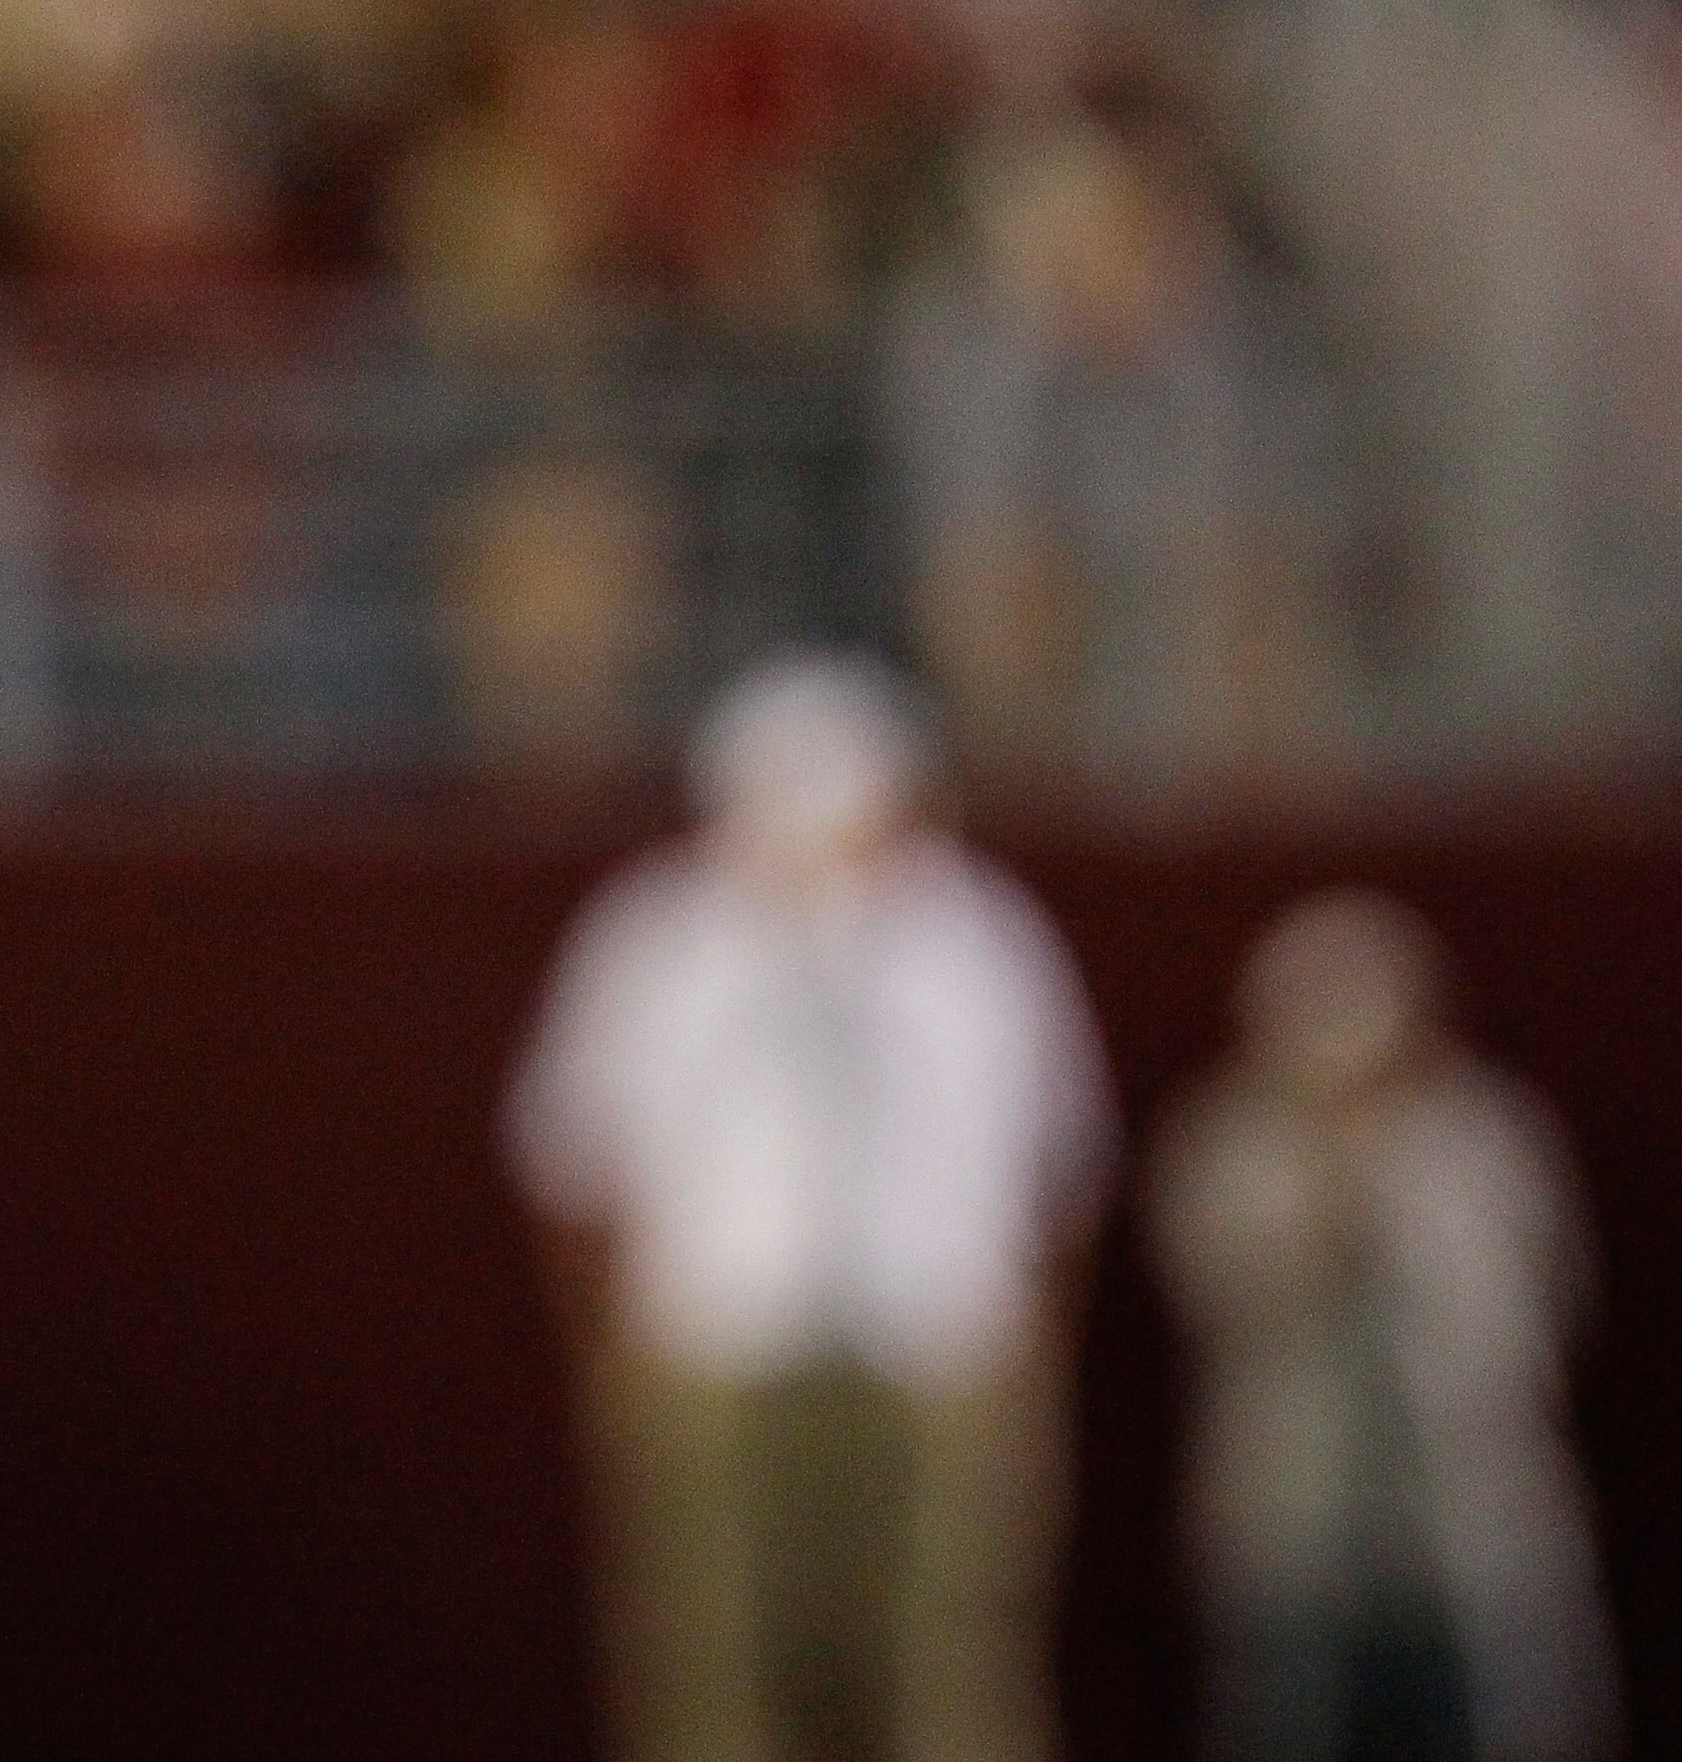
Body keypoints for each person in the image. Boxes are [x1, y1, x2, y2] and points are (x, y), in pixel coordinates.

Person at [501, 651, 1115, 1762]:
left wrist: (1024, 1348)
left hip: (943, 1352)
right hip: (712, 1349)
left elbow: (1061, 1169)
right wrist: (620, 1354)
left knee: (954, 1675)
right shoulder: (655, 939)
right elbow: (569, 1166)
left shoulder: (980, 937)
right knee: (712, 1679)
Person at [1150, 891, 1620, 1762]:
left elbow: (1550, 1291)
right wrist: (1335, 1194)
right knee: (1286, 1712)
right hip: (1295, 1507)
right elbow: (1213, 1297)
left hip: (1468, 1493)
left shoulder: (1483, 1136)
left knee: (1508, 1708)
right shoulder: (1229, 1144)